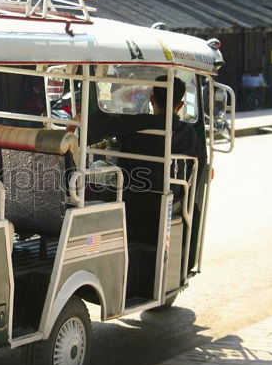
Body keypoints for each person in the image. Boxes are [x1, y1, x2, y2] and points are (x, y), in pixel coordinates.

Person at [73, 75, 206, 243]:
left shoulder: (138, 123)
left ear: (151, 100)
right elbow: (199, 165)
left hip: (131, 197)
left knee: (91, 183)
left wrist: (80, 121)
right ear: (180, 106)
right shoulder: (188, 133)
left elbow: (104, 125)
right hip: (172, 197)